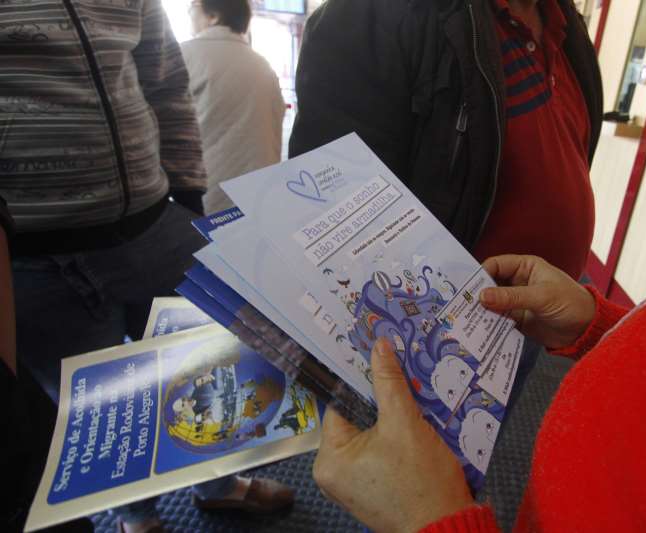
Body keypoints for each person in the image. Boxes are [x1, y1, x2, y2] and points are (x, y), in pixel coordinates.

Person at [310, 0, 646, 529]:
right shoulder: (384, 17)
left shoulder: (563, 25)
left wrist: (432, 520)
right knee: (396, 475)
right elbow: (328, 204)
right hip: (442, 332)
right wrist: (602, 327)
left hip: (510, 333)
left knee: (446, 470)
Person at [0, 1, 290, 531]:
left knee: (208, 363)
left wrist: (187, 194)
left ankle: (218, 484)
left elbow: (165, 81)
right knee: (96, 410)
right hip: (35, 252)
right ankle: (137, 517)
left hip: (157, 221)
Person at [290, 0, 602, 281]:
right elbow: (336, 224)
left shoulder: (565, 22)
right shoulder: (373, 15)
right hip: (445, 315)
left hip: (559, 303)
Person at [181, 0, 286, 214]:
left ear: (213, 16)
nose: (189, 13)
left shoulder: (184, 56)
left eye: (192, 6)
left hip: (209, 199)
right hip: (262, 196)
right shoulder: (262, 64)